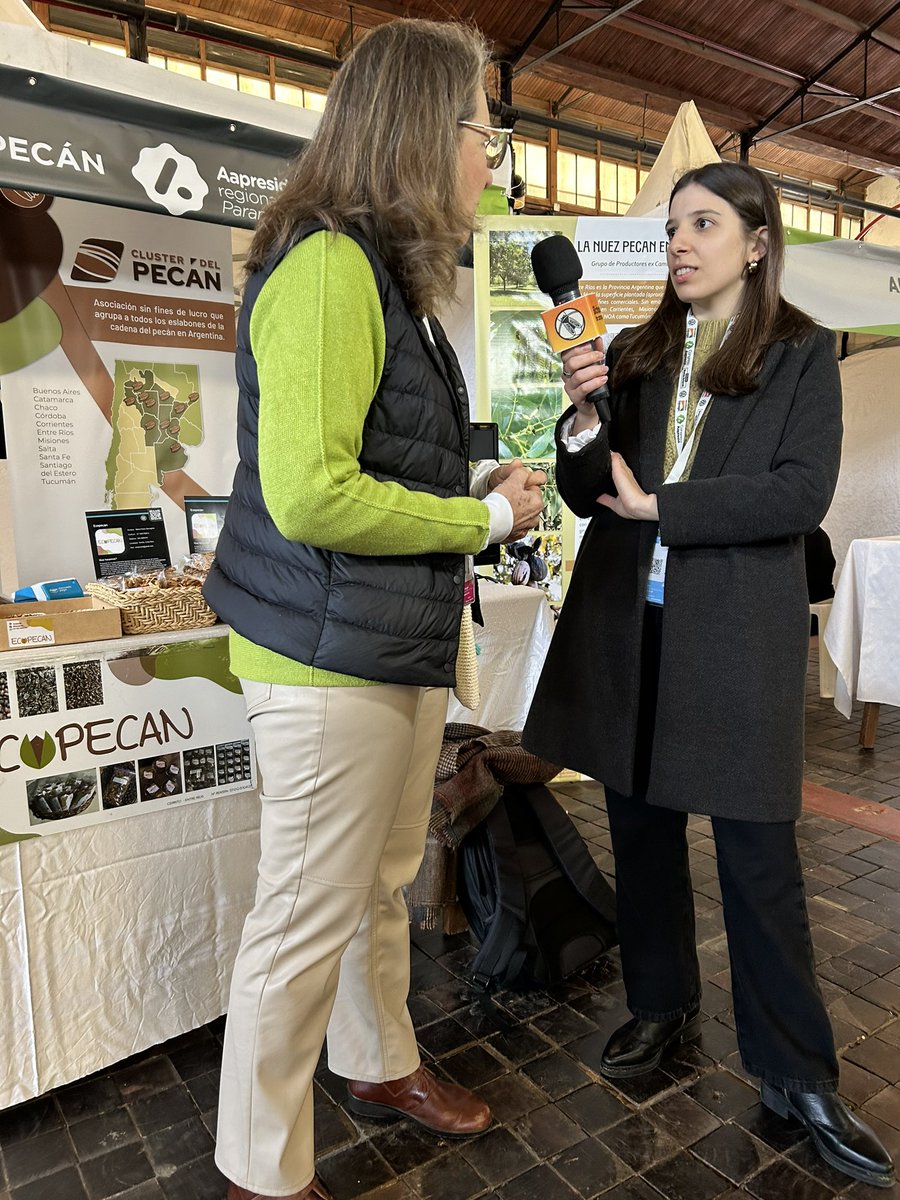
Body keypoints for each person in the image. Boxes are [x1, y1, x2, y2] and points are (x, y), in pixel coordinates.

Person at [204, 21, 545, 1200]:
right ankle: (260, 1168)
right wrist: (482, 523)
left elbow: (369, 458)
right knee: (304, 915)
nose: (489, 157)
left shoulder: (383, 275)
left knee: (380, 878)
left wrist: (461, 480)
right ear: (420, 130)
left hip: (383, 642)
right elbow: (310, 493)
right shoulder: (327, 265)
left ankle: (378, 1059)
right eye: (482, 131)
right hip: (322, 653)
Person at [522, 161, 893, 1191]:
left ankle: (798, 1071)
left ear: (758, 240)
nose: (680, 243)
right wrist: (584, 421)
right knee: (638, 829)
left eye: (703, 224)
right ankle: (661, 1006)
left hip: (732, 635)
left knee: (758, 858)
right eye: (674, 227)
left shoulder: (801, 355)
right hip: (627, 630)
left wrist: (664, 514)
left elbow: (797, 494)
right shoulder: (638, 351)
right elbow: (588, 488)